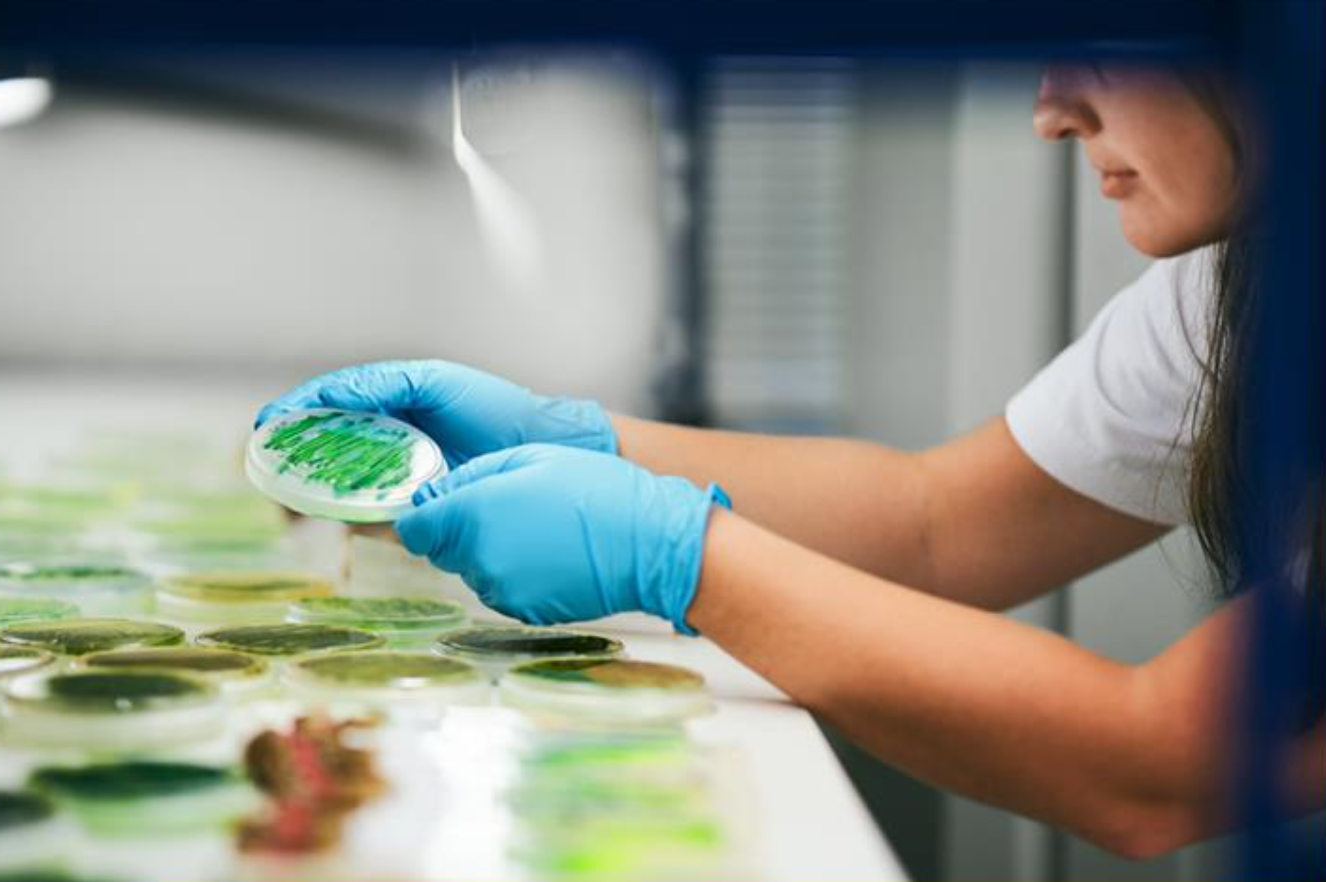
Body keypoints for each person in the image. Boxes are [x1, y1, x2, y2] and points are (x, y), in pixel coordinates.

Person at [259, 64, 1324, 858]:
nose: (1052, 109)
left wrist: (682, 558)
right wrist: (563, 438)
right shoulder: (1238, 285)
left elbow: (1158, 766)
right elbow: (941, 523)